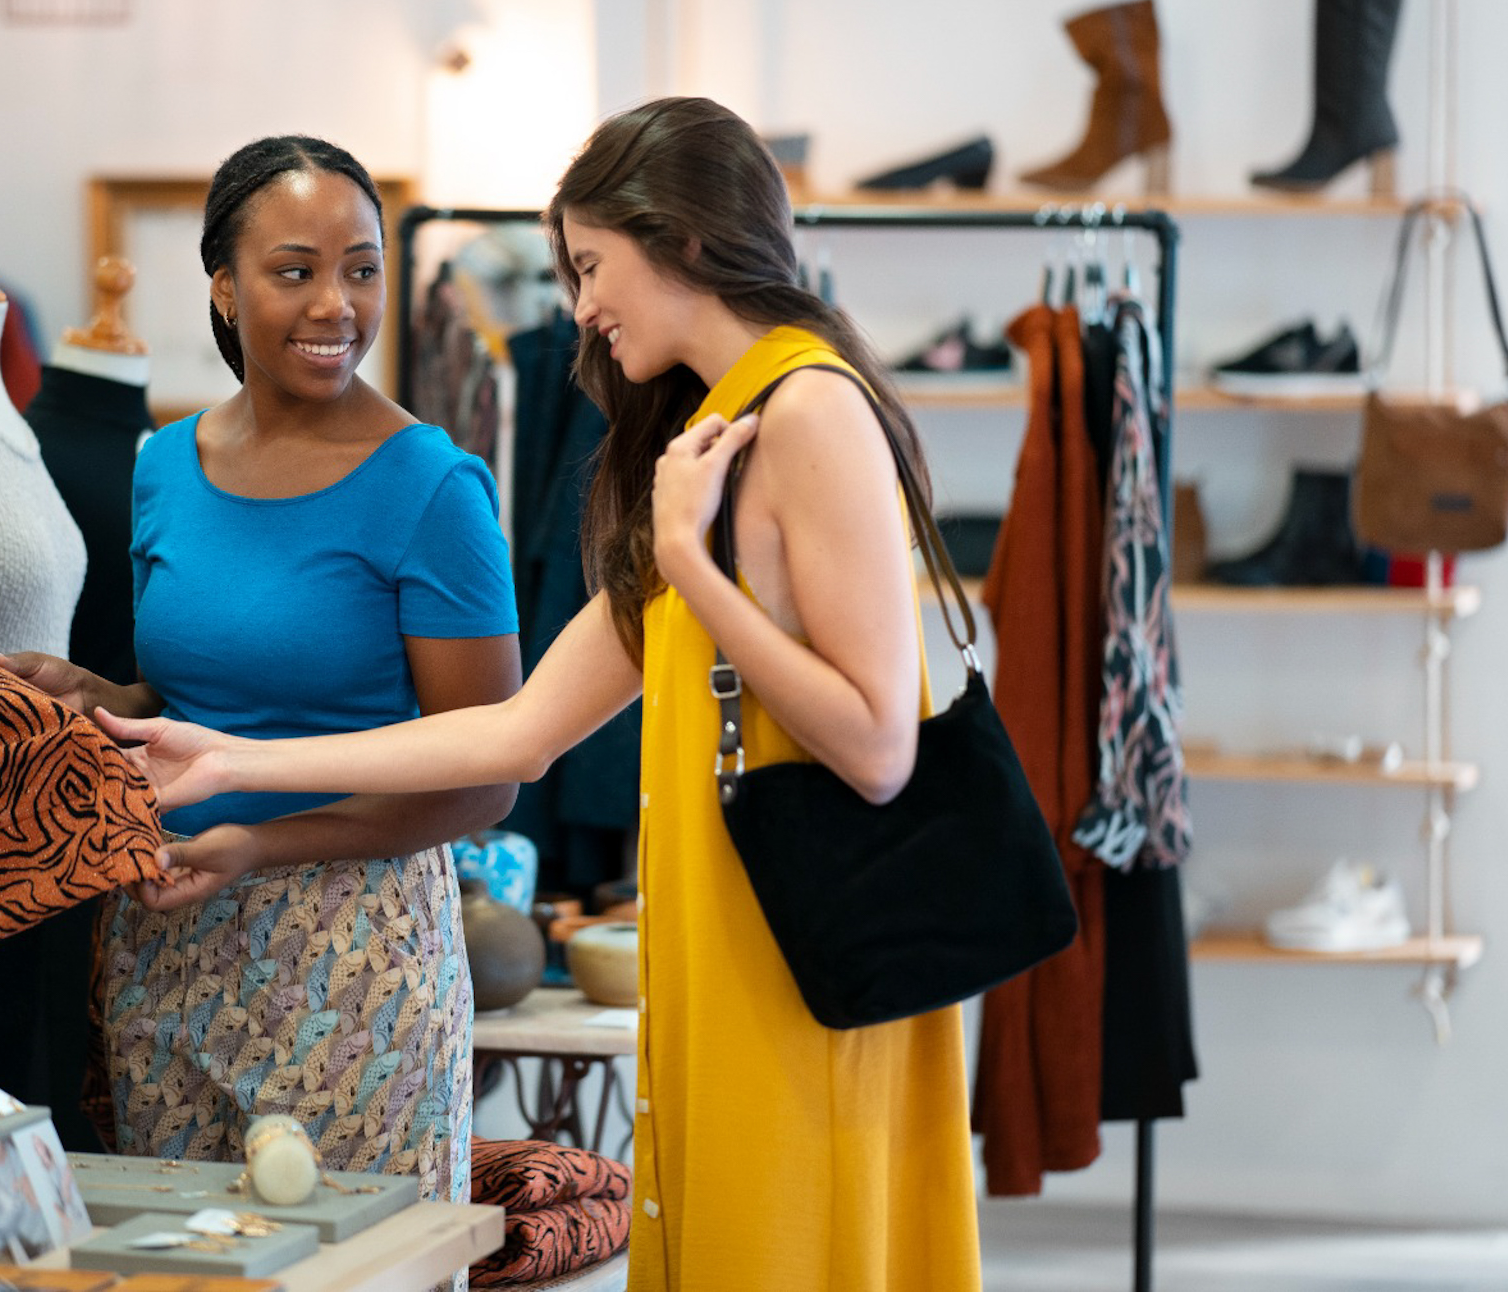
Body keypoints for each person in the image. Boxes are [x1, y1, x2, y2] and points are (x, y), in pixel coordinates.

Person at [95, 98, 982, 1291]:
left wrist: (690, 573)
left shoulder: (811, 406)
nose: (578, 307)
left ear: (678, 240)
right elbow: (514, 729)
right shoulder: (710, 435)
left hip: (798, 950)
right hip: (718, 939)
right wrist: (236, 762)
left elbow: (877, 747)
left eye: (589, 266)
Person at [0, 134, 521, 1205]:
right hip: (168, 935)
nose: (336, 305)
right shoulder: (164, 467)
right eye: (295, 271)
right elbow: (198, 697)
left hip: (353, 954)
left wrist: (260, 845)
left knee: (359, 1272)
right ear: (224, 290)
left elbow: (483, 774)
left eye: (360, 268)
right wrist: (103, 699)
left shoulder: (430, 487)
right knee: (178, 1270)